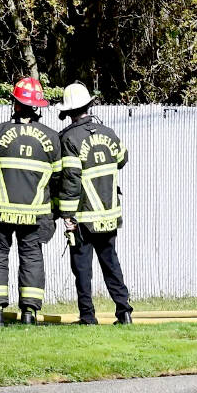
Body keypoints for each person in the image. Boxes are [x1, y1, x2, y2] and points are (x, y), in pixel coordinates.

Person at [0, 76, 62, 325]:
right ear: (38, 107)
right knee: (31, 257)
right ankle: (29, 313)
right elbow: (61, 177)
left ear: (16, 104)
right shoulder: (52, 138)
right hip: (36, 214)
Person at [56, 81, 132, 325]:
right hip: (109, 215)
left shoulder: (68, 139)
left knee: (82, 268)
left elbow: (70, 179)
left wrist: (66, 215)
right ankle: (125, 312)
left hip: (82, 218)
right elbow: (122, 159)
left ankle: (88, 317)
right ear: (90, 104)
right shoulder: (109, 133)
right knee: (111, 263)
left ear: (68, 112)